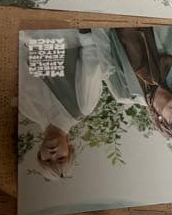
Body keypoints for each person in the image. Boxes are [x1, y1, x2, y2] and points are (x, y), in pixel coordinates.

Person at [18, 30, 107, 179]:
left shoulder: (27, 109)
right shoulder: (83, 106)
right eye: (60, 158)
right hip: (65, 30)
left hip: (25, 32)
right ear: (70, 148)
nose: (52, 154)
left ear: (40, 153)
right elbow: (90, 49)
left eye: (47, 160)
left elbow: (18, 56)